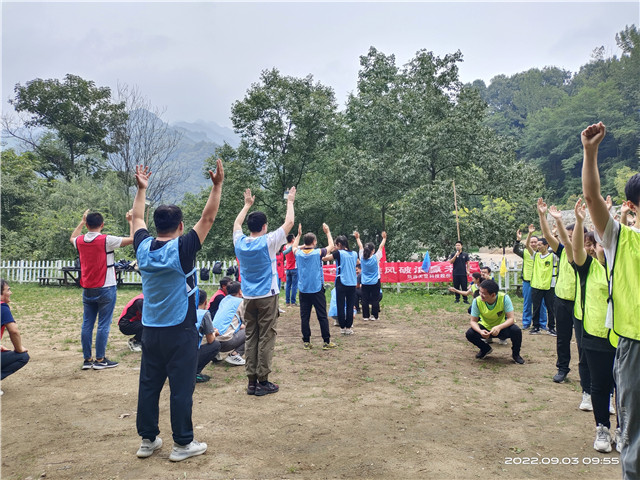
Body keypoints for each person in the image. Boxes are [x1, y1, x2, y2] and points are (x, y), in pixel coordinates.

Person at [132, 158, 224, 462]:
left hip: (151, 329)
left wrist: (141, 189)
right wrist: (217, 185)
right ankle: (183, 444)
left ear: (155, 226)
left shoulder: (143, 247)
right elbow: (208, 219)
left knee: (149, 385)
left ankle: (148, 440)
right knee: (181, 388)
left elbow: (136, 219)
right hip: (181, 330)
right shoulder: (182, 249)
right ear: (181, 227)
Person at [581, 121, 640, 478]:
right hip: (634, 346)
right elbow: (592, 199)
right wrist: (590, 152)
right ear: (632, 207)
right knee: (633, 433)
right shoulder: (622, 240)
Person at [233, 187, 295, 397]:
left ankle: (251, 381)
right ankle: (263, 380)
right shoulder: (268, 241)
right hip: (267, 296)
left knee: (251, 336)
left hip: (248, 297)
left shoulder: (240, 242)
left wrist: (247, 204)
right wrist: (290, 201)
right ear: (265, 226)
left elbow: (236, 225)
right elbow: (289, 223)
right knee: (266, 337)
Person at [572, 198, 620, 453]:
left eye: (603, 243)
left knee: (623, 388)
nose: (600, 247)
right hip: (596, 335)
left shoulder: (622, 265)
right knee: (600, 386)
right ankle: (602, 428)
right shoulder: (587, 268)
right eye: (596, 244)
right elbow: (576, 249)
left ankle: (622, 430)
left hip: (625, 335)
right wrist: (580, 222)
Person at [70, 208, 133, 370]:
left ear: (87, 224)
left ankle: (87, 359)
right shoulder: (106, 240)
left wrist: (81, 222)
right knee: (103, 324)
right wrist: (131, 221)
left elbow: (72, 237)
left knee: (87, 324)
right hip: (106, 286)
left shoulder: (80, 241)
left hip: (88, 287)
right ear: (102, 224)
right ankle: (100, 359)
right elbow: (133, 239)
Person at [539, 199, 584, 388]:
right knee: (563, 338)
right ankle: (562, 368)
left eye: (574, 235)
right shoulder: (563, 251)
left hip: (581, 303)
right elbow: (548, 236)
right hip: (561, 301)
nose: (570, 238)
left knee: (583, 341)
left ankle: (586, 372)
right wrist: (543, 215)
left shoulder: (584, 257)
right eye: (569, 235)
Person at [292, 223, 338, 346]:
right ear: (314, 241)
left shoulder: (298, 253)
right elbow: (332, 246)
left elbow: (294, 246)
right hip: (316, 289)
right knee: (322, 316)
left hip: (303, 289)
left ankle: (306, 341)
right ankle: (326, 341)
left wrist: (298, 235)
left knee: (304, 317)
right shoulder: (317, 252)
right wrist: (328, 232)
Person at [464, 279, 524, 364]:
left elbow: (511, 319)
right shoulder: (476, 301)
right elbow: (473, 321)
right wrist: (480, 331)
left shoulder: (504, 298)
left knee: (516, 331)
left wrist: (499, 327)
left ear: (493, 295)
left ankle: (516, 354)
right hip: (485, 327)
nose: (481, 295)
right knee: (470, 333)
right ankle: (485, 349)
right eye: (480, 292)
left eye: (484, 293)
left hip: (501, 327)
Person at [513, 229, 548, 330]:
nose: (533, 244)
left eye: (535, 242)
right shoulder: (525, 252)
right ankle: (526, 322)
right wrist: (518, 240)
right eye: (531, 242)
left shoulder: (542, 253)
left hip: (540, 282)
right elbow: (515, 250)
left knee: (541, 304)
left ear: (538, 243)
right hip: (527, 282)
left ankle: (542, 323)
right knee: (527, 303)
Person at [323, 235, 358, 334]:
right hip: (352, 283)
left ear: (339, 244)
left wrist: (330, 249)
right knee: (350, 305)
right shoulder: (355, 254)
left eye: (336, 245)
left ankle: (342, 327)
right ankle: (349, 327)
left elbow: (325, 258)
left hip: (341, 281)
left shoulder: (339, 253)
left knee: (341, 304)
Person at [525, 225, 556, 335]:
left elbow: (559, 246)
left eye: (540, 245)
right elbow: (527, 245)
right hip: (536, 285)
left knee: (551, 308)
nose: (538, 247)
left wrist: (554, 235)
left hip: (549, 286)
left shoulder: (553, 256)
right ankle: (536, 327)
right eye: (537, 245)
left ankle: (551, 328)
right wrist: (530, 234)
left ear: (546, 245)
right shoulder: (536, 256)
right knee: (536, 308)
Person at [1, 280, 30, 390]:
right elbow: (14, 331)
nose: (11, 292)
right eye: (8, 290)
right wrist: (19, 349)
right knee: (22, 357)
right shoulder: (2, 307)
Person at [211, 281, 246, 366]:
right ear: (240, 291)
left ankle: (215, 353)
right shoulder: (240, 302)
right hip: (226, 342)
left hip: (213, 339)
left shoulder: (224, 299)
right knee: (254, 329)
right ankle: (235, 355)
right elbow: (248, 320)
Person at [355, 231, 387, 320]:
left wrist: (357, 238)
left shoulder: (362, 257)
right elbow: (381, 247)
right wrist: (384, 238)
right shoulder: (375, 258)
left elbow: (360, 246)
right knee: (375, 299)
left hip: (365, 282)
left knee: (364, 299)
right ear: (373, 251)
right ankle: (374, 316)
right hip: (375, 281)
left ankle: (365, 316)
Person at [195, 289, 221, 383]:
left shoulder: (182, 310)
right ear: (205, 302)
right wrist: (214, 333)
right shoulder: (204, 314)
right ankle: (195, 373)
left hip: (174, 354)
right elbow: (210, 340)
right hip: (189, 354)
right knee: (215, 345)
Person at [283, 234, 299, 307]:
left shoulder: (284, 247)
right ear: (293, 240)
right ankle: (293, 302)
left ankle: (287, 302)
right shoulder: (294, 247)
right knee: (294, 286)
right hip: (294, 268)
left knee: (288, 286)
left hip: (288, 268)